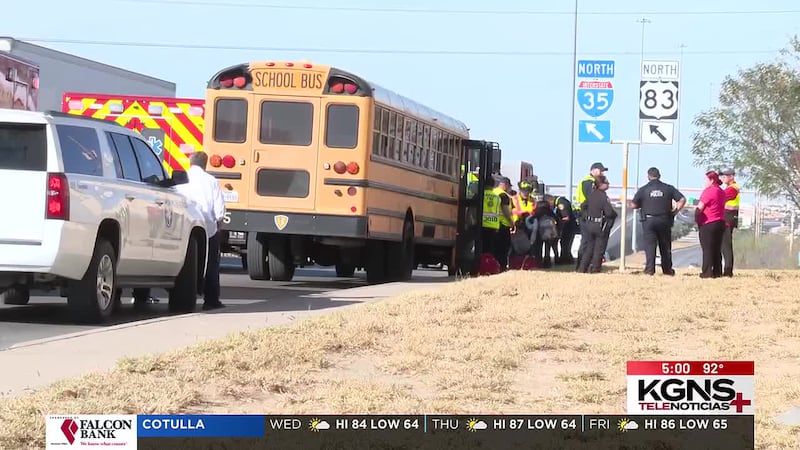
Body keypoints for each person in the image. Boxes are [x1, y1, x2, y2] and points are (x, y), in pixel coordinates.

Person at [177, 151, 227, 310]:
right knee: (211, 265)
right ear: (205, 164)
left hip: (184, 226)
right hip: (207, 228)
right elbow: (219, 210)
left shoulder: (181, 178)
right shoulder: (211, 181)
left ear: (190, 163)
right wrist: (219, 226)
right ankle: (211, 300)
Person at [629, 167, 687, 276]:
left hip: (648, 221)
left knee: (650, 246)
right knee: (665, 246)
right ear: (659, 176)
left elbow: (633, 205)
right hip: (664, 220)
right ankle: (667, 270)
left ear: (648, 176)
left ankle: (650, 270)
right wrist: (675, 211)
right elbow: (682, 199)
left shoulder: (643, 189)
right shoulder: (668, 188)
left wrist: (629, 203)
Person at [576, 175, 617, 273]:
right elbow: (609, 212)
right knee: (599, 248)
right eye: (606, 182)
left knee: (589, 248)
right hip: (599, 225)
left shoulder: (591, 195)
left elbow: (583, 206)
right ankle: (595, 268)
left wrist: (587, 216)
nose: (608, 184)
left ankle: (582, 268)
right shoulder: (603, 197)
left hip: (590, 224)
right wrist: (614, 214)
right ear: (601, 184)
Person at [695, 170, 727, 279]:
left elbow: (700, 207)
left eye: (705, 179)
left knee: (707, 248)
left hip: (708, 222)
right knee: (717, 248)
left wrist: (697, 219)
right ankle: (717, 271)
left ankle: (707, 272)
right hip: (720, 222)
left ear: (711, 180)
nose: (704, 182)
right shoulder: (722, 192)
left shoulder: (708, 191)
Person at [719, 168, 740, 277]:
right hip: (727, 218)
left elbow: (720, 198)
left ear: (732, 176)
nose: (723, 178)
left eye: (725, 176)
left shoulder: (732, 189)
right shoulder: (729, 188)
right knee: (724, 245)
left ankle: (728, 271)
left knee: (726, 246)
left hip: (728, 219)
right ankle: (726, 269)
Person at [529, 197, 559, 268]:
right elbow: (557, 220)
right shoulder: (550, 214)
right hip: (550, 234)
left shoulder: (537, 216)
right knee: (548, 248)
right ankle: (548, 262)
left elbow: (530, 222)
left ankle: (538, 262)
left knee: (539, 248)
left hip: (539, 234)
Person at [493, 176, 514, 271]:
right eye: (509, 186)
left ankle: (493, 265)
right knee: (504, 248)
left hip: (492, 223)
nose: (510, 188)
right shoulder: (503, 195)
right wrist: (511, 222)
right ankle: (502, 266)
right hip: (503, 225)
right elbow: (505, 210)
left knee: (494, 248)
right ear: (504, 185)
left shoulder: (493, 193)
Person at [552, 195, 578, 264]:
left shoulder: (561, 203)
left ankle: (566, 259)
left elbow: (566, 218)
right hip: (569, 226)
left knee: (565, 243)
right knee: (564, 243)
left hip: (568, 226)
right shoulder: (562, 201)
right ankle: (566, 258)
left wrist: (559, 226)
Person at [481, 175, 500, 259]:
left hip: (482, 224)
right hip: (493, 225)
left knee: (482, 247)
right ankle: (488, 264)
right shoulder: (497, 197)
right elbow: (498, 212)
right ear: (493, 186)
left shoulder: (480, 195)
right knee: (490, 248)